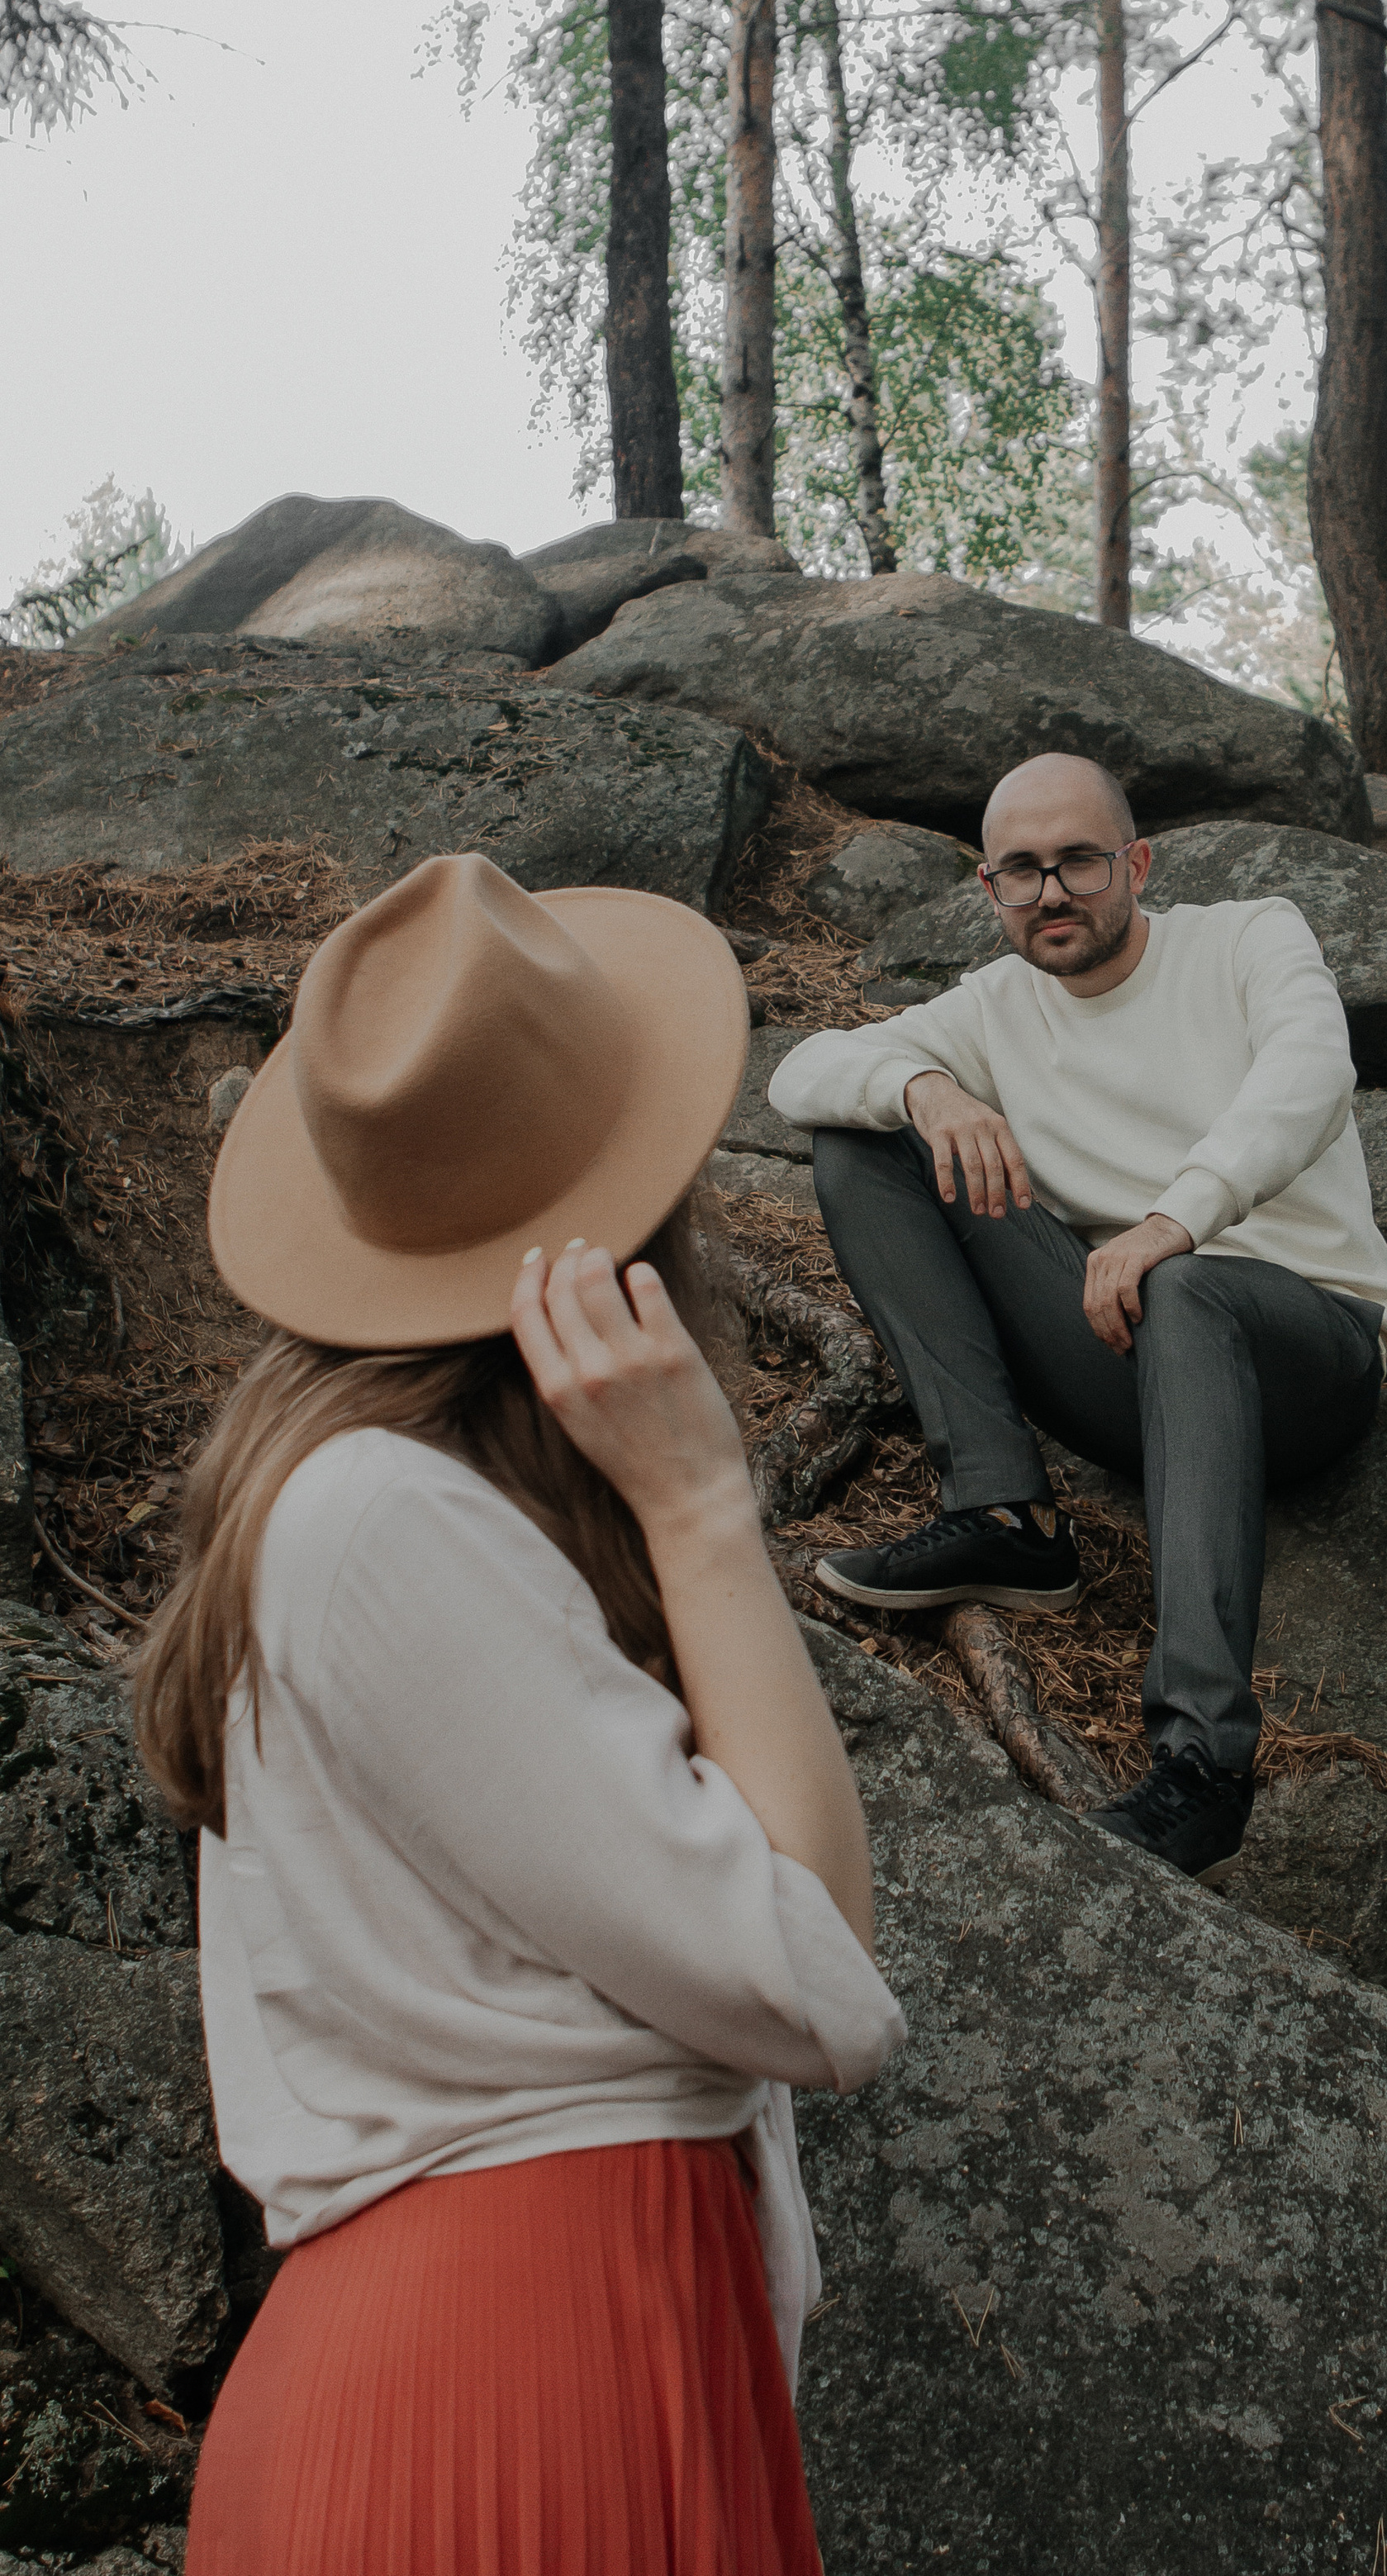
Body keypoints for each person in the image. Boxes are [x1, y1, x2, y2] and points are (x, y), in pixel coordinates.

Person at [134, 851, 905, 2576]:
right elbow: (813, 1982)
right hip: (512, 2366)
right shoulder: (384, 1522)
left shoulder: (375, 1510)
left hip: (518, 2340)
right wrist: (705, 1515)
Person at [768, 750, 1387, 1885]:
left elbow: (1312, 1072)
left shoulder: (1250, 937)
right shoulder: (995, 1008)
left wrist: (1178, 1219)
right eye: (1023, 870)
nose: (1053, 892)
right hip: (1129, 1361)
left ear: (1136, 864)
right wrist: (927, 1088)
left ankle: (1203, 1768)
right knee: (862, 1136)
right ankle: (1004, 1515)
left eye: (1079, 861)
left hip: (1306, 1349)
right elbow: (804, 1070)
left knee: (1187, 1283)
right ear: (989, 890)